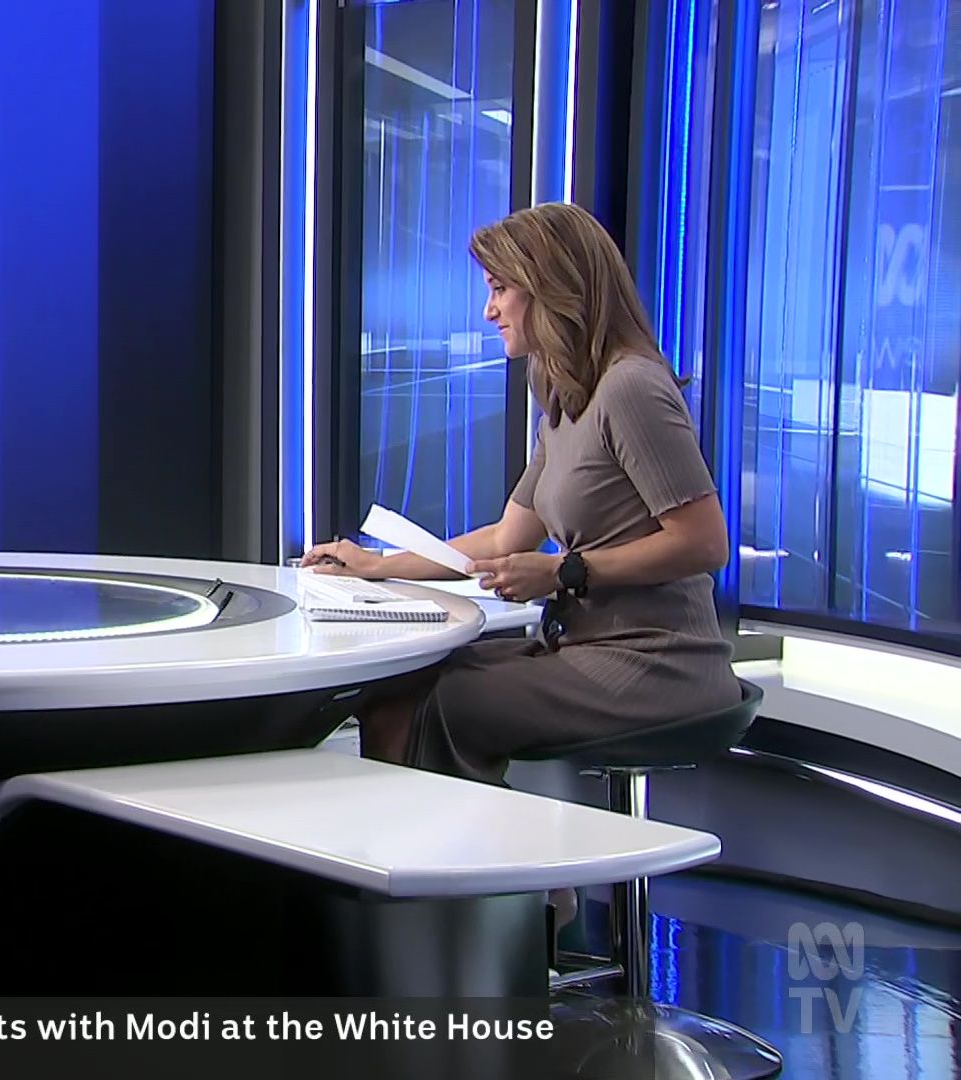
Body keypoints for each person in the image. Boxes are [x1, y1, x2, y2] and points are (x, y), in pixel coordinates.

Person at [302, 202, 738, 792]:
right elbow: (507, 537)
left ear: (552, 287)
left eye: (500, 289)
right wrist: (377, 566)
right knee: (399, 684)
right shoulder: (563, 392)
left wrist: (566, 571)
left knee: (450, 702)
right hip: (581, 646)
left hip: (659, 665)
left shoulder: (631, 387)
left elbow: (705, 543)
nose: (489, 311)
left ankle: (482, 850)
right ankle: (433, 843)